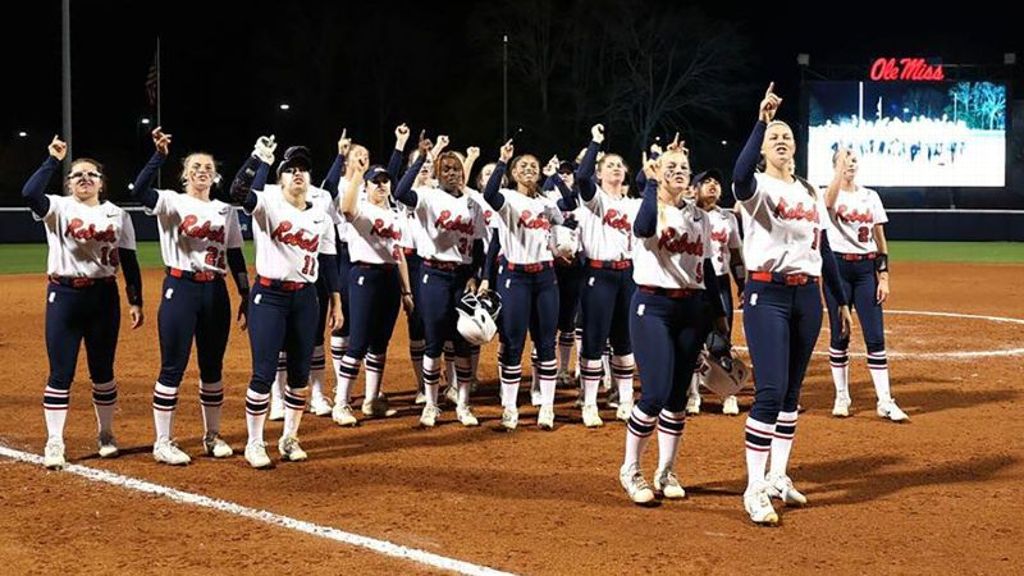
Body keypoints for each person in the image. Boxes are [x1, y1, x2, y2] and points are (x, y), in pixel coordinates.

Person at [732, 83, 852, 525]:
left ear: (796, 147)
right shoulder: (757, 185)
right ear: (763, 149)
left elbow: (826, 248)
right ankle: (754, 487)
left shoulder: (808, 191)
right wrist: (761, 120)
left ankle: (779, 475)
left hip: (807, 294)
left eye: (786, 135)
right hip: (768, 293)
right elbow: (739, 175)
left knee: (791, 394)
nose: (781, 140)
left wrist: (838, 300)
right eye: (773, 137)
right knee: (768, 393)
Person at [22, 136, 144, 470]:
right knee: (61, 373)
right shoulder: (58, 207)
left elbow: (129, 261)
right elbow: (29, 194)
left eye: (91, 175)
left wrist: (135, 300)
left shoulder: (117, 214)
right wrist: (51, 159)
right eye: (77, 175)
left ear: (102, 183)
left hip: (104, 296)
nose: (85, 179)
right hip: (64, 296)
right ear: (68, 183)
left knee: (102, 371)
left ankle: (105, 434)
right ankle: (55, 440)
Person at [132, 127, 249, 465]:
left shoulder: (226, 211)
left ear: (216, 176)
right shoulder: (171, 201)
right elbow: (140, 191)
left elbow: (236, 255)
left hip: (215, 290)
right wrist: (159, 156)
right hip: (180, 287)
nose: (202, 171)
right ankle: (162, 441)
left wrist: (244, 292)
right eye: (195, 167)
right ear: (185, 174)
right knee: (173, 365)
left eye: (208, 168)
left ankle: (212, 435)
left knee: (212, 367)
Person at [617, 146, 728, 505]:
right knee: (655, 393)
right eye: (671, 167)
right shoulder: (646, 206)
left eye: (684, 166)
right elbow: (643, 227)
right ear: (657, 172)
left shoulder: (701, 217)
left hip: (692, 308)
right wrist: (651, 183)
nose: (679, 171)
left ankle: (666, 469)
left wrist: (718, 316)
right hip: (653, 305)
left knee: (679, 396)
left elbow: (707, 268)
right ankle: (630, 469)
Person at [230, 137, 341, 468]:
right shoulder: (268, 204)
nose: (298, 174)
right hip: (270, 295)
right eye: (290, 169)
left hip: (307, 298)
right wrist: (258, 158)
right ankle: (254, 442)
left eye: (304, 170)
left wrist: (336, 300)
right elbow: (237, 192)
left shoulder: (321, 214)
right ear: (280, 178)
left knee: (299, 373)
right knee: (263, 373)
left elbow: (329, 260)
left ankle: (290, 438)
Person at [393, 135, 486, 427]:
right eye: (445, 169)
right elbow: (400, 191)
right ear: (436, 173)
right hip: (433, 273)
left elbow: (480, 244)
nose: (452, 173)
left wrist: (475, 275)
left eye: (456, 168)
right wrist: (422, 157)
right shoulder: (428, 196)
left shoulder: (473, 202)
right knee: (433, 339)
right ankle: (431, 404)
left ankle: (463, 404)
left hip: (461, 276)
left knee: (463, 340)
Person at [483, 140, 563, 430]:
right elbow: (488, 193)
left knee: (546, 344)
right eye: (523, 166)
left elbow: (568, 217)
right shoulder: (506, 198)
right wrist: (502, 161)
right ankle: (510, 408)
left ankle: (548, 409)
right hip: (514, 277)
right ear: (514, 173)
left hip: (545, 276)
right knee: (513, 343)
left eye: (533, 166)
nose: (529, 169)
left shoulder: (547, 203)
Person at [824, 148, 907, 422]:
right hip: (837, 269)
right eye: (845, 160)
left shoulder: (870, 196)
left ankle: (884, 400)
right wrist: (838, 173)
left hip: (864, 269)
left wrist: (884, 276)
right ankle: (842, 395)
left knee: (875, 335)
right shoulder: (827, 192)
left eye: (854, 160)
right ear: (835, 165)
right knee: (840, 334)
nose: (851, 164)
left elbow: (879, 239)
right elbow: (827, 204)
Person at [331, 155, 415, 426]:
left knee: (380, 342)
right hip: (364, 275)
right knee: (359, 341)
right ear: (366, 187)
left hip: (390, 278)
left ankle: (372, 400)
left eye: (384, 181)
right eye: (375, 182)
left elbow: (398, 253)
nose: (380, 186)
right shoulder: (362, 208)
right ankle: (341, 403)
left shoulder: (395, 214)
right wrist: (357, 174)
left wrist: (407, 291)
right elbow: (345, 208)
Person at [571, 124, 641, 426]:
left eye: (619, 165)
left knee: (625, 340)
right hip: (598, 274)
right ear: (600, 174)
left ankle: (625, 400)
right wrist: (596, 143)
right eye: (608, 165)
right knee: (594, 340)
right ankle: (589, 403)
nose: (615, 168)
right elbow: (581, 177)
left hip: (628, 274)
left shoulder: (635, 205)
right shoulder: (594, 200)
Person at [686, 168, 746, 416]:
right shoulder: (687, 215)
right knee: (692, 342)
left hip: (719, 282)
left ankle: (728, 394)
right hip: (692, 284)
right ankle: (693, 394)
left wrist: (742, 284)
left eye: (716, 182)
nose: (712, 185)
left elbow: (736, 256)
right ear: (694, 188)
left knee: (722, 338)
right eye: (706, 181)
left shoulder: (728, 218)